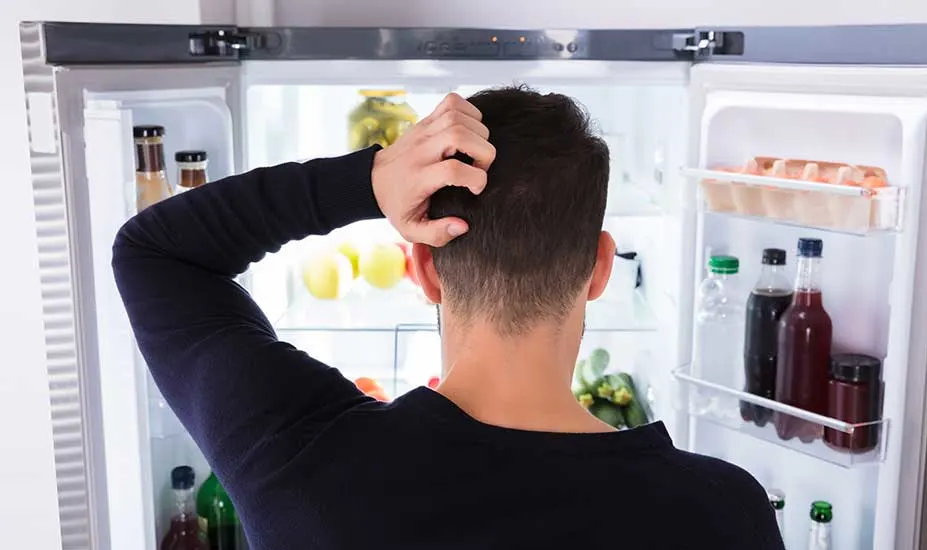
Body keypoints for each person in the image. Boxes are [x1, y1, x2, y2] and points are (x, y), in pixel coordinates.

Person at [113, 88, 784, 549]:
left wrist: (368, 181)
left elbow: (156, 253)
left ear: (423, 269)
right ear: (600, 268)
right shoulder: (722, 512)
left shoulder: (304, 468)